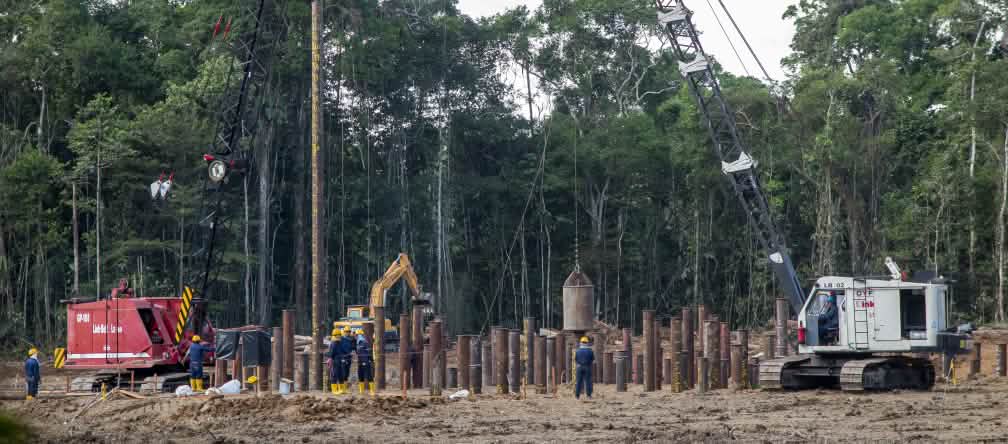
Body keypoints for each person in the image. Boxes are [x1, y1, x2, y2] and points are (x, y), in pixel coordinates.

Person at [355, 330, 375, 395]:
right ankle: (361, 391)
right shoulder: (358, 343)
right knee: (360, 375)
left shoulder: (364, 342)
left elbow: (369, 352)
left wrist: (370, 360)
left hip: (365, 361)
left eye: (356, 335)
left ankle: (372, 391)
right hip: (360, 361)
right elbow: (358, 352)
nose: (356, 336)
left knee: (368, 375)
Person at [338, 326, 355, 394]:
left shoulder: (351, 340)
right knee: (342, 373)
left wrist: (353, 352)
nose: (348, 333)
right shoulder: (341, 339)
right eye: (346, 332)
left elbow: (353, 348)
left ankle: (344, 389)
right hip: (342, 358)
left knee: (347, 373)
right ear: (344, 332)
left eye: (349, 332)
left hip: (348, 358)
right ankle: (340, 388)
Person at [327, 329, 344, 394]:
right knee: (334, 374)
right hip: (335, 361)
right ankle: (334, 390)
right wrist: (330, 358)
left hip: (339, 360)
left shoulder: (339, 342)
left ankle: (341, 389)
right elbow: (331, 352)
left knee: (340, 374)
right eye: (339, 335)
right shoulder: (334, 343)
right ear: (335, 335)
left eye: (340, 335)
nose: (340, 336)